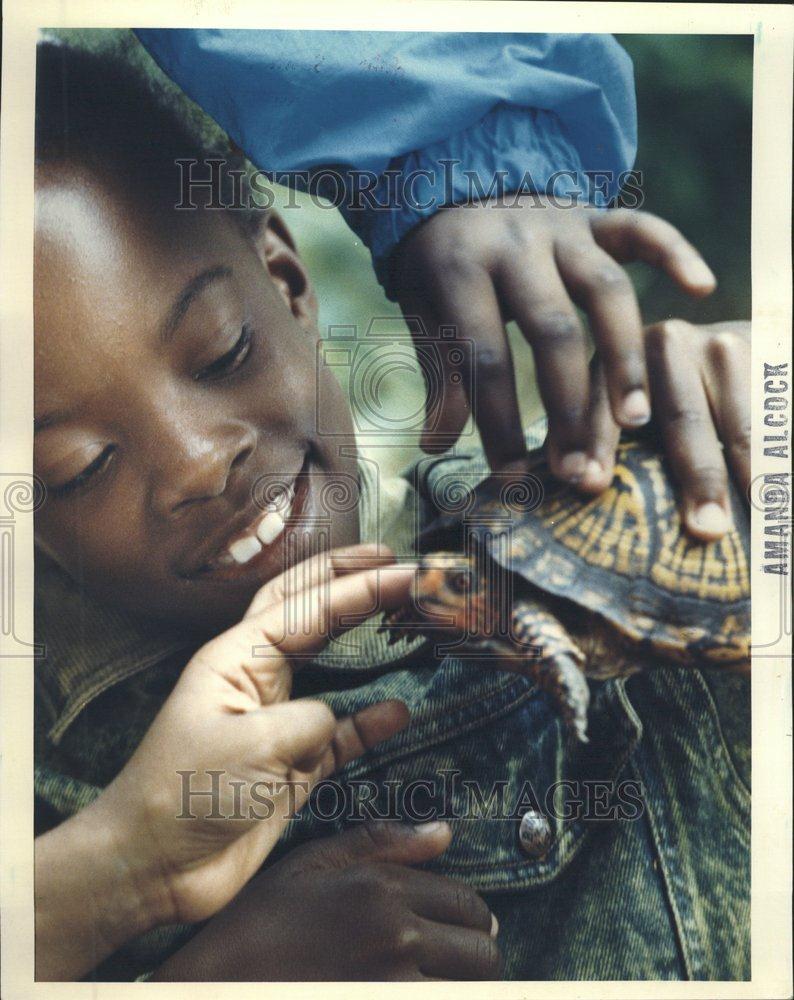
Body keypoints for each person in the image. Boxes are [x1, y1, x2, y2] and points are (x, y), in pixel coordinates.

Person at [33, 37, 750, 981]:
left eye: (220, 353)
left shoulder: (595, 532)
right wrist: (134, 906)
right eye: (80, 467)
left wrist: (750, 442)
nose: (200, 466)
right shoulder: (48, 802)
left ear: (288, 284)